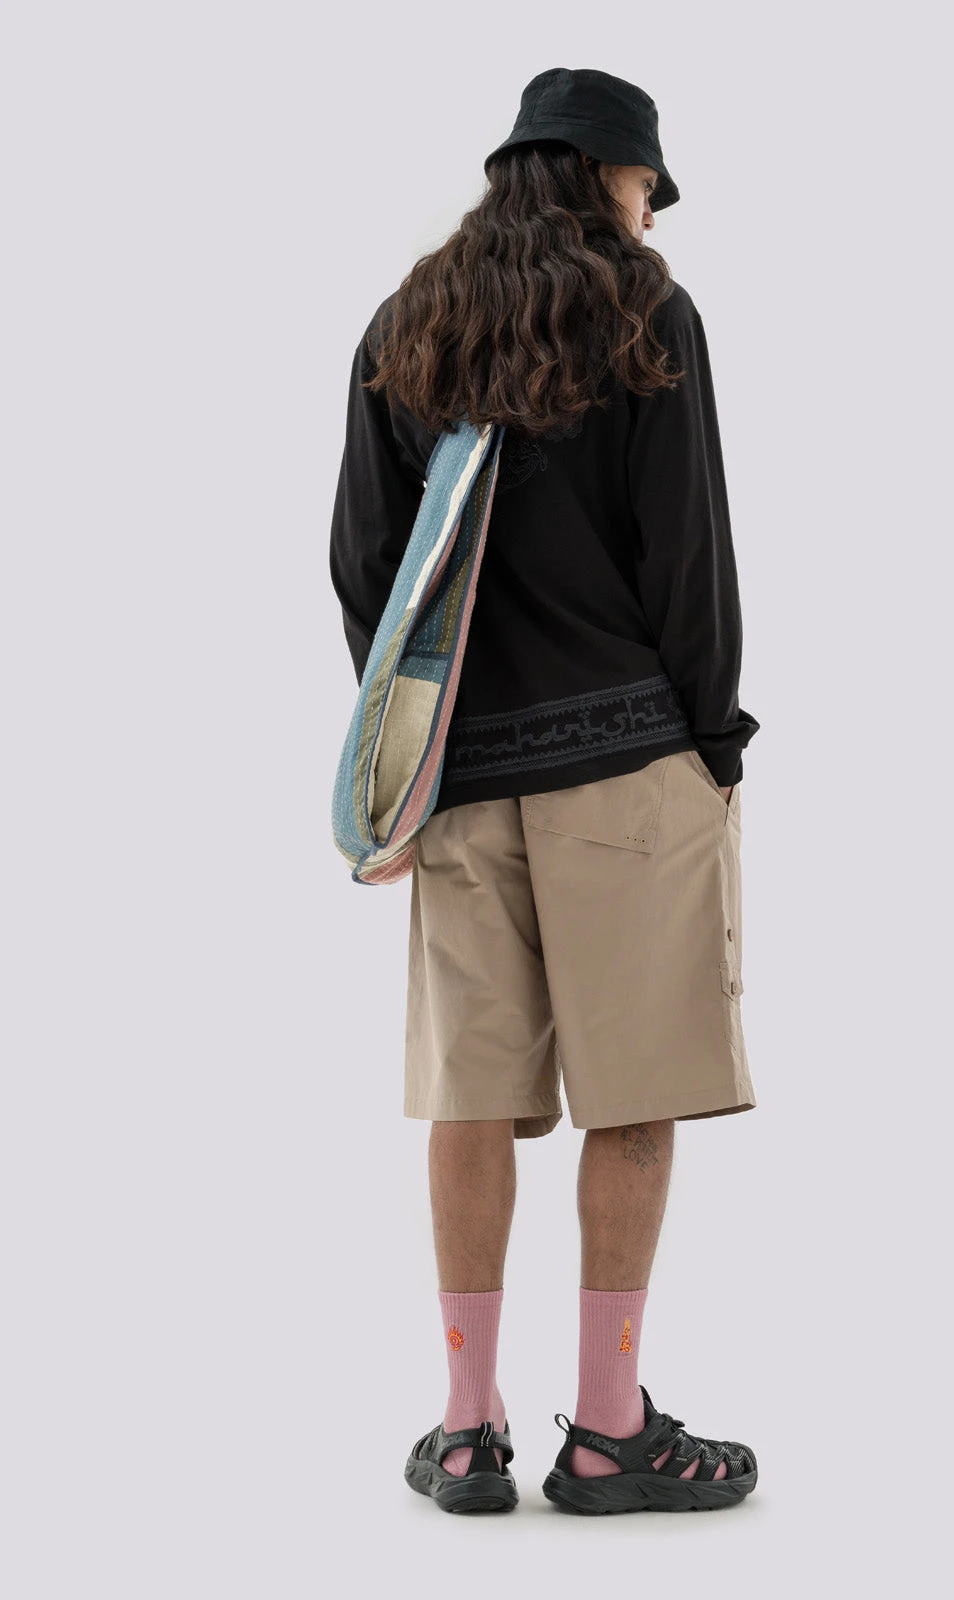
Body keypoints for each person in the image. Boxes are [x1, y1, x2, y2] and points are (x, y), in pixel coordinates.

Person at [328, 67, 760, 1516]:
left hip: (463, 781)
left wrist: (407, 760)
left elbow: (367, 564)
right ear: (601, 172)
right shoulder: (644, 310)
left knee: (470, 1096)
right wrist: (715, 744)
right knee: (634, 1097)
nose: (653, 212)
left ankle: (466, 1430)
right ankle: (609, 1430)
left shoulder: (412, 321)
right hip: (630, 765)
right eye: (647, 185)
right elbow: (686, 550)